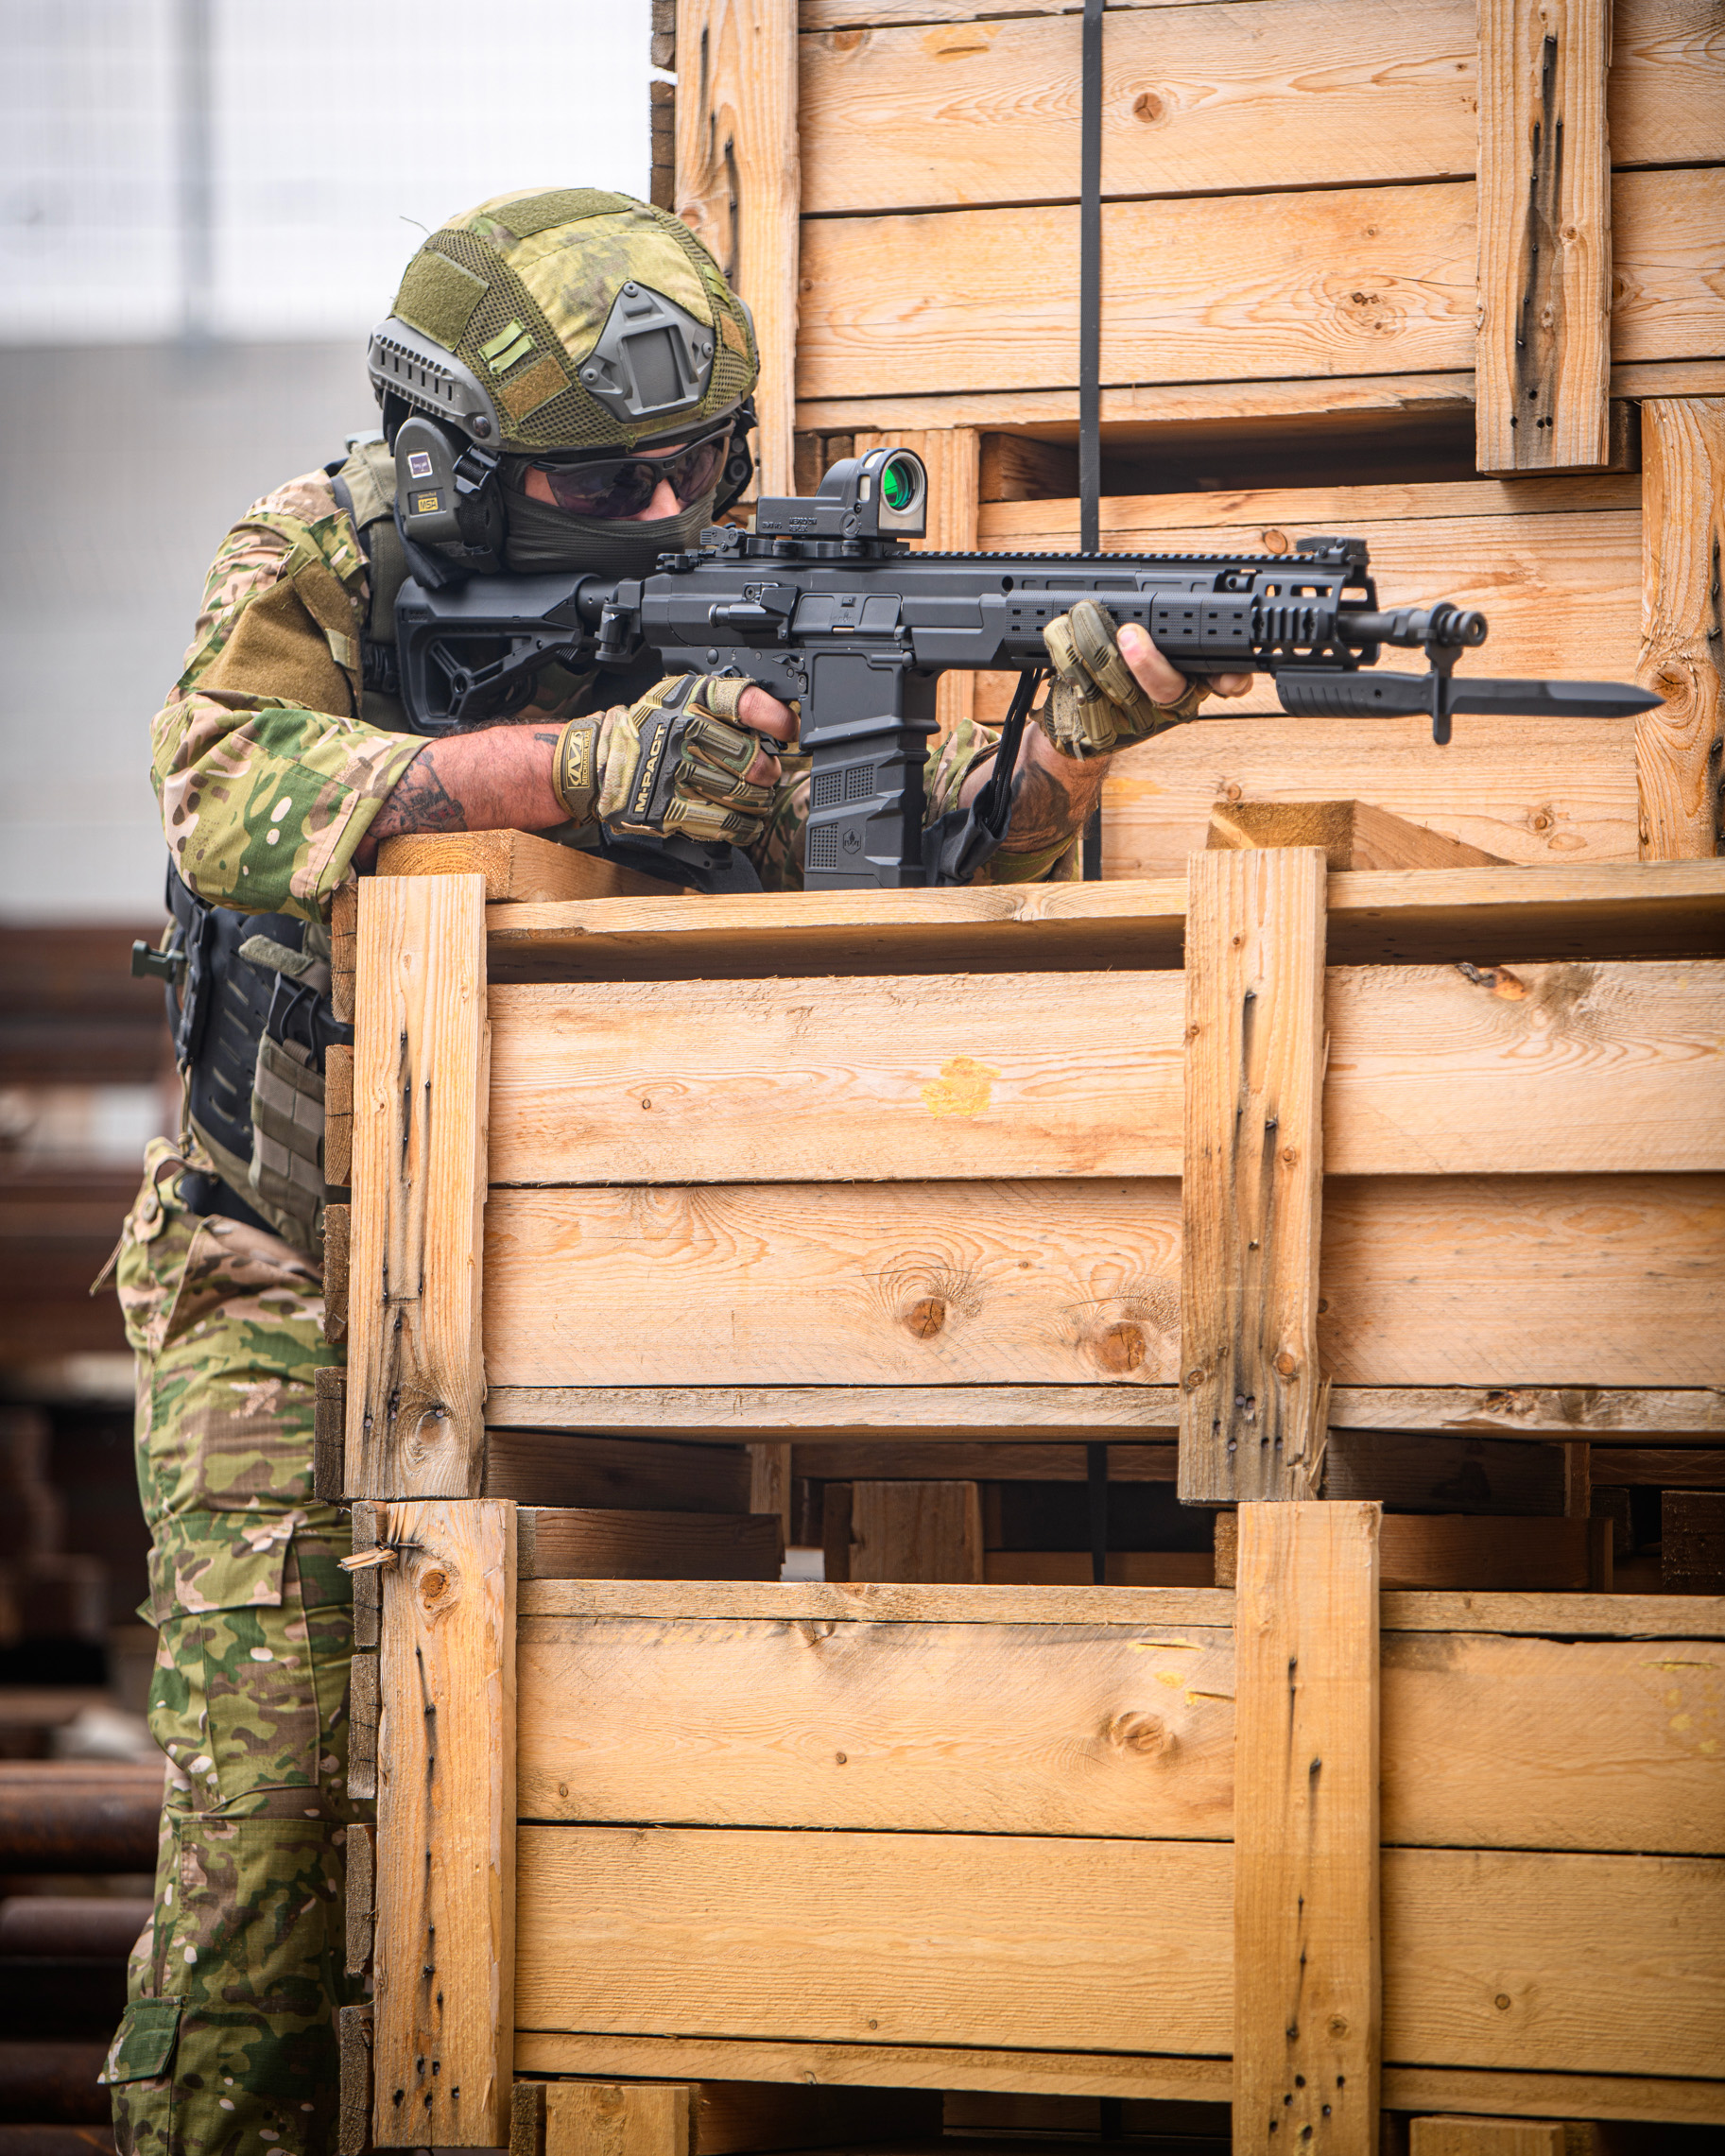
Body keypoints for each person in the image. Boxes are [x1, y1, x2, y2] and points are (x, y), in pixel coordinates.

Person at [100, 185, 1246, 2156]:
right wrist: (574, 770)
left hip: (577, 1304)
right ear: (461, 460)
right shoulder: (333, 558)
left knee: (590, 1820)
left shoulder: (730, 596)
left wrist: (1060, 749)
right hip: (274, 1265)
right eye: (605, 484)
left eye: (697, 469)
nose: (666, 521)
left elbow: (907, 898)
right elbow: (221, 792)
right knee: (275, 1839)